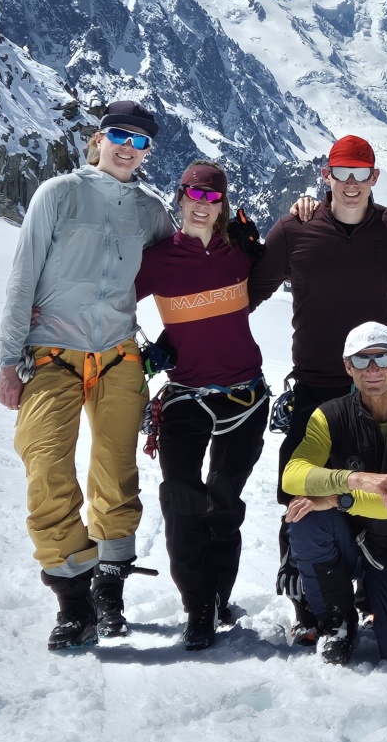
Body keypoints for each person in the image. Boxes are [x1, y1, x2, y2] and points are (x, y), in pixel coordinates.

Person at [0, 100, 175, 652]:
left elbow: (181, 271)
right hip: (52, 353)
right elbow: (23, 275)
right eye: (119, 135)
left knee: (116, 474)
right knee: (46, 467)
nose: (128, 148)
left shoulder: (149, 211)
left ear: (148, 152)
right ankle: (73, 599)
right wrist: (7, 360)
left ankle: (108, 594)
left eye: (140, 142)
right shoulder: (59, 194)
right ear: (98, 139)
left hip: (119, 355)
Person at [248, 135, 387, 640]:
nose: (350, 183)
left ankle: (373, 594)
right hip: (316, 388)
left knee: (383, 488)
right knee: (302, 494)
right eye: (341, 173)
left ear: (374, 177)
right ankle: (312, 604)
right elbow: (248, 293)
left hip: (378, 387)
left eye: (360, 173)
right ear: (326, 175)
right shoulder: (295, 229)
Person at [134, 160, 268, 650]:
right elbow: (108, 299)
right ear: (179, 197)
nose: (201, 205)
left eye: (212, 198)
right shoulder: (158, 260)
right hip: (186, 396)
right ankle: (198, 606)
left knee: (224, 500)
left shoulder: (241, 252)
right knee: (181, 498)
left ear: (222, 205)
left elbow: (283, 267)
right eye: (193, 195)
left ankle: (217, 597)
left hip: (245, 395)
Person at [282, 321, 387, 664]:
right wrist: (356, 480)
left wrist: (337, 498)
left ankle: (373, 597)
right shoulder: (329, 416)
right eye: (361, 360)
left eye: (382, 359)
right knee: (306, 515)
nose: (372, 370)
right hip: (343, 536)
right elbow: (292, 476)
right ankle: (336, 621)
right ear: (348, 367)